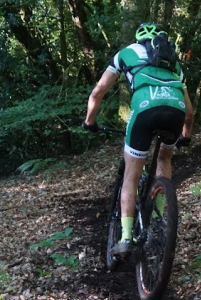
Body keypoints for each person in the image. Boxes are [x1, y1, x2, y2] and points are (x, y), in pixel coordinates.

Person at [83, 22, 194, 258]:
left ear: (138, 39)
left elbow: (98, 92)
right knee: (164, 156)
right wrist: (186, 135)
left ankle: (125, 237)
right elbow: (191, 112)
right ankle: (157, 218)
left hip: (144, 110)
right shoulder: (173, 62)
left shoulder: (126, 53)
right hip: (176, 111)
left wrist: (89, 122)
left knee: (131, 175)